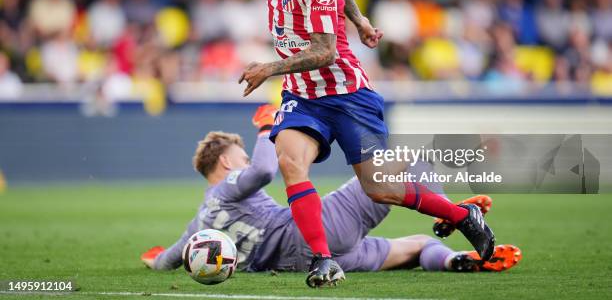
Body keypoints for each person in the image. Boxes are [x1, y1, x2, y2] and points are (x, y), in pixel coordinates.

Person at [238, 0, 495, 287]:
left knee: (378, 188)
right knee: (291, 162)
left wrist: (269, 67)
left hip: (349, 97)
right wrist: (359, 20)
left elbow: (325, 52)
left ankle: (462, 215)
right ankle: (323, 260)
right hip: (304, 97)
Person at [141, 106, 521, 276]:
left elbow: (169, 259)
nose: (242, 161)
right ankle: (447, 212)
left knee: (419, 245)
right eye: (238, 156)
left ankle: (455, 260)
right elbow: (261, 170)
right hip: (311, 231)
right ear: (225, 163)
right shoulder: (225, 188)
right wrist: (266, 128)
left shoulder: (197, 230)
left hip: (297, 264)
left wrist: (155, 260)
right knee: (406, 159)